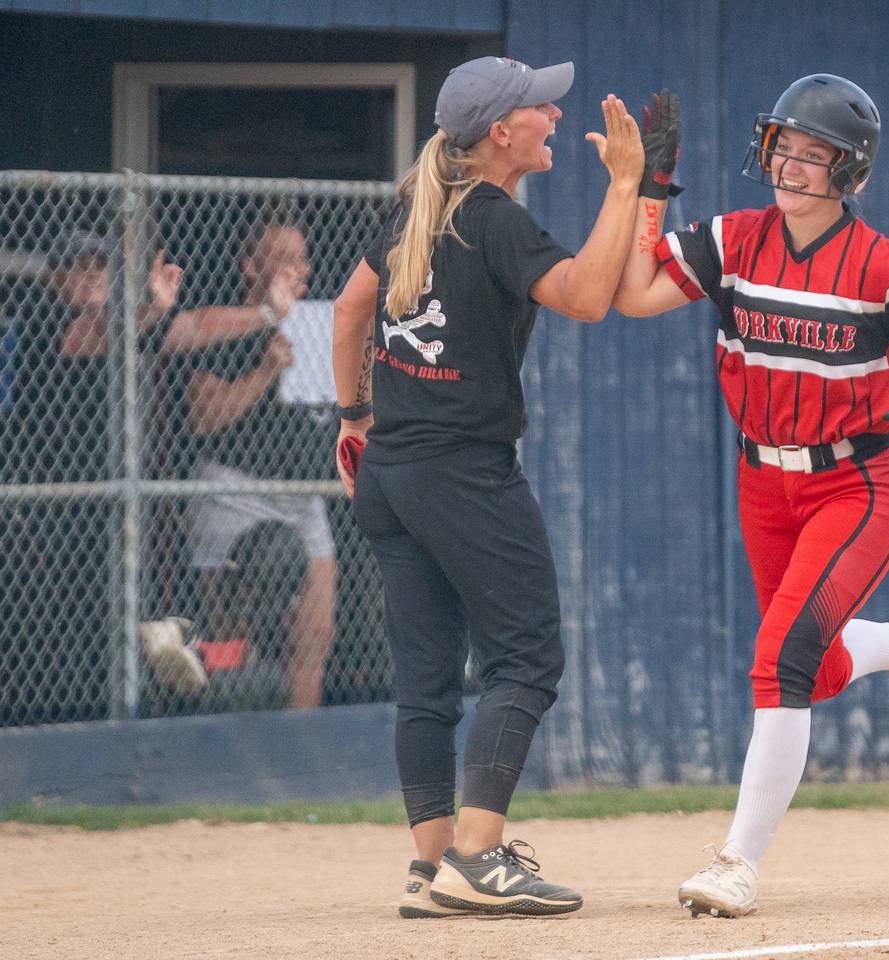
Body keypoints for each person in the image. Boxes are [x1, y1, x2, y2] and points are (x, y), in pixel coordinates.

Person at [613, 76, 889, 918]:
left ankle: (736, 863)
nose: (788, 161)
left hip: (857, 483)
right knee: (810, 669)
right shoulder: (734, 239)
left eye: (811, 152)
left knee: (778, 663)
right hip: (762, 481)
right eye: (782, 144)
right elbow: (631, 294)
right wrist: (652, 190)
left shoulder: (885, 264)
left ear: (848, 172)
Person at [330, 56, 644, 919]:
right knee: (528, 655)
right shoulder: (495, 218)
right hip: (461, 473)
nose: (552, 113)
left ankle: (431, 866)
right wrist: (626, 185)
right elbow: (585, 298)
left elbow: (350, 308)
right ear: (501, 132)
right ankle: (477, 856)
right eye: (539, 106)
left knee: (427, 679)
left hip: (392, 474)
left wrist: (356, 416)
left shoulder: (418, 210)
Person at [0, 229, 300, 725]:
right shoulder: (42, 318)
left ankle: (135, 710)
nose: (92, 275)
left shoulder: (133, 324)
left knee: (131, 623)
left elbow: (197, 326)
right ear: (57, 278)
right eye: (80, 267)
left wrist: (266, 314)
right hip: (51, 512)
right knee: (53, 633)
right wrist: (152, 313)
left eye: (101, 266)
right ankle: (46, 721)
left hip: (119, 510)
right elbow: (89, 341)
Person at [182, 221, 335, 710]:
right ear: (250, 265)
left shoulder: (321, 322)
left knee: (314, 637)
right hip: (235, 489)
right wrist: (267, 370)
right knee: (233, 642)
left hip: (303, 494)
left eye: (302, 258)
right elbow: (204, 418)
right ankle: (238, 763)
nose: (296, 267)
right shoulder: (228, 325)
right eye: (282, 256)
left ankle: (301, 759)